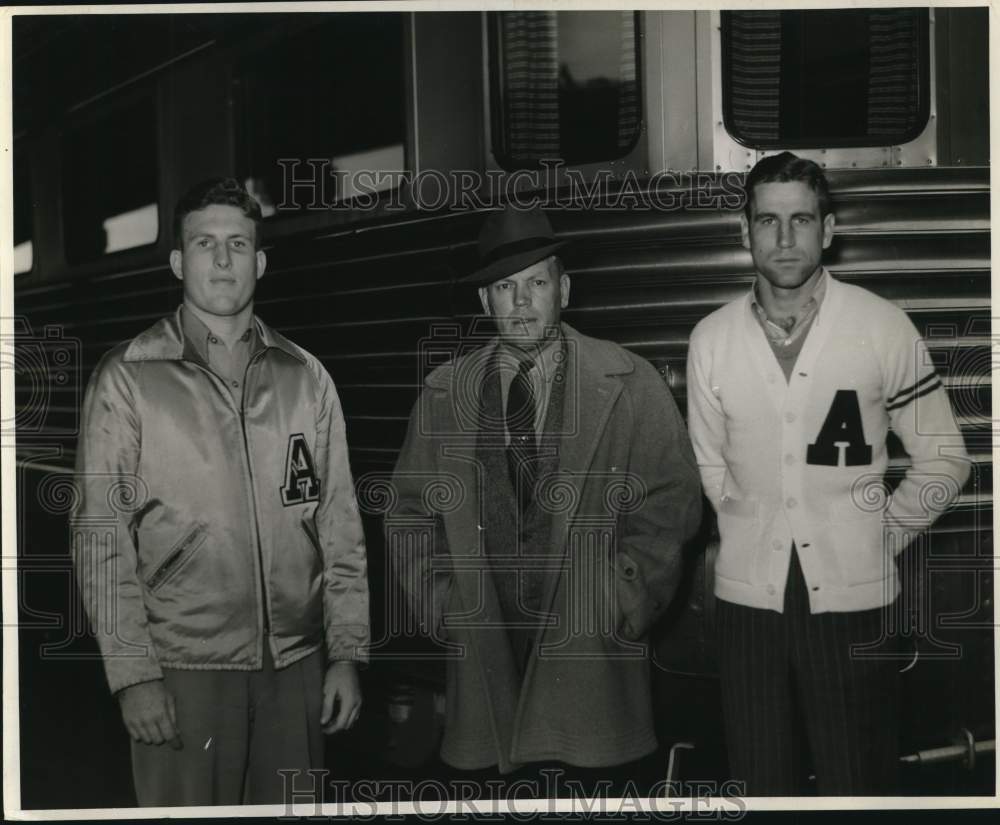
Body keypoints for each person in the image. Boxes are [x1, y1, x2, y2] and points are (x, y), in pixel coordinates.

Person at [71, 178, 369, 806]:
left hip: (296, 665)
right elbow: (100, 537)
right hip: (183, 668)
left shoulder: (305, 376)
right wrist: (132, 676)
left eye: (239, 243)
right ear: (179, 262)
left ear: (260, 262)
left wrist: (346, 653)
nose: (224, 259)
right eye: (206, 244)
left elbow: (340, 523)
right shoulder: (128, 379)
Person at [388, 204, 702, 795]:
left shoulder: (630, 384)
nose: (522, 301)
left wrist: (622, 594)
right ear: (486, 302)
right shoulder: (441, 396)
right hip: (488, 652)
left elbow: (671, 502)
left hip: (589, 659)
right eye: (505, 287)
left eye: (536, 282)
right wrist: (445, 606)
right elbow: (408, 511)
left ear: (564, 289)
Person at [686, 152, 970, 795]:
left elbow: (945, 459)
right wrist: (753, 532)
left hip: (854, 604)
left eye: (801, 220)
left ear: (829, 229)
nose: (784, 238)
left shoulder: (881, 325)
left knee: (856, 784)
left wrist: (880, 534)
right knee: (760, 783)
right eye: (767, 221)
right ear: (744, 233)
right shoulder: (712, 338)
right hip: (746, 607)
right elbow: (709, 461)